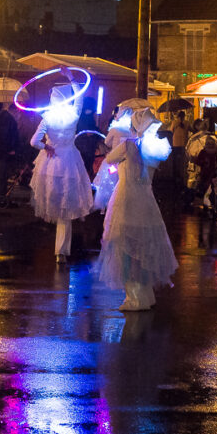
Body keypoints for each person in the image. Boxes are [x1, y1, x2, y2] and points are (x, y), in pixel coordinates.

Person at [98, 109, 177, 311]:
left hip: (126, 199)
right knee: (143, 247)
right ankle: (145, 296)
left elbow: (109, 159)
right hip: (146, 200)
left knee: (126, 248)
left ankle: (133, 299)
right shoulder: (156, 147)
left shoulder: (128, 145)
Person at [29, 85, 94, 263]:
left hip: (50, 165)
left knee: (55, 204)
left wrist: (46, 146)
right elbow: (79, 99)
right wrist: (72, 79)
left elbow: (34, 141)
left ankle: (59, 248)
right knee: (66, 209)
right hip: (70, 163)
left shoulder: (48, 118)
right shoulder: (73, 115)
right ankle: (62, 251)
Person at [74, 101, 101, 178]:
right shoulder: (80, 118)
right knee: (82, 166)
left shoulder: (90, 118)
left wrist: (95, 133)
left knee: (88, 165)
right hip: (82, 146)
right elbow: (78, 130)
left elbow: (94, 129)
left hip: (89, 146)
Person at [169, 110, 188, 188]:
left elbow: (170, 132)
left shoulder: (174, 122)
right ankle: (181, 175)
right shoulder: (186, 123)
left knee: (175, 161)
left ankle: (176, 176)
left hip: (175, 144)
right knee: (182, 161)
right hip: (183, 145)